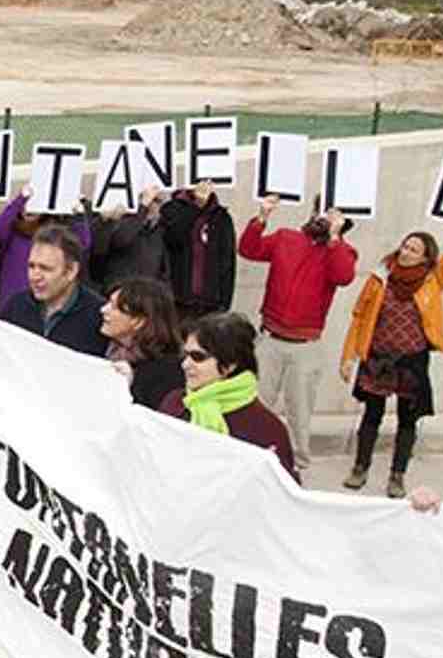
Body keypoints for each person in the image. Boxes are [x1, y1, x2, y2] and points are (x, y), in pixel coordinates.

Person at [338, 225, 443, 497]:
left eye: (414, 249)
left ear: (425, 258)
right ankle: (360, 467)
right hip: (378, 359)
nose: (406, 251)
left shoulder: (433, 279)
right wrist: (348, 356)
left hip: (412, 362)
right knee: (371, 415)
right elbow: (360, 315)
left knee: (407, 420)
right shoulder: (380, 276)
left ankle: (397, 475)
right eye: (405, 245)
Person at [238, 195, 358, 476]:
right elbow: (248, 249)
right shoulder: (286, 238)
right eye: (322, 211)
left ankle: (296, 466)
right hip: (269, 339)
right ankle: (248, 458)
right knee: (255, 402)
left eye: (333, 214)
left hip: (306, 346)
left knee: (299, 411)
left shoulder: (342, 251)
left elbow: (343, 276)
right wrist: (261, 218)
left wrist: (334, 238)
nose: (324, 217)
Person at [160, 312, 298, 482]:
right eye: (185, 355)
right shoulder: (174, 403)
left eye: (198, 357)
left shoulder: (266, 429)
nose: (185, 364)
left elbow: (281, 494)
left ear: (230, 364)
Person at [0, 225, 109, 357]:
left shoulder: (99, 315)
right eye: (32, 266)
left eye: (45, 268)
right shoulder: (15, 306)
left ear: (71, 271)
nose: (35, 276)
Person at [0, 188, 91, 307]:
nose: (29, 210)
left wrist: (79, 215)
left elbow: (83, 244)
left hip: (41, 300)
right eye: (26, 206)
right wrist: (21, 199)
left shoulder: (53, 233)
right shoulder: (12, 231)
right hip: (10, 299)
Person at [99, 277, 186, 409]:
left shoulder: (167, 370)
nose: (103, 310)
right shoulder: (100, 346)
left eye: (114, 307)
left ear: (138, 321)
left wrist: (131, 384)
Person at [160, 179, 237, 321]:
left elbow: (227, 262)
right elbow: (173, 238)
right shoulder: (171, 209)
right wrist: (196, 206)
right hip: (178, 301)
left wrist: (224, 304)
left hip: (210, 303)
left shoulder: (222, 217)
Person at [89, 186, 168, 292]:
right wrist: (142, 209)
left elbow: (164, 269)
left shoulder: (160, 229)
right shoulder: (115, 222)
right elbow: (122, 240)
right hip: (119, 292)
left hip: (147, 295)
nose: (152, 205)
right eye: (150, 201)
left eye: (157, 201)